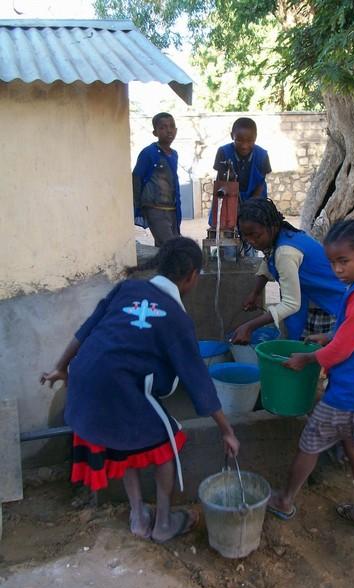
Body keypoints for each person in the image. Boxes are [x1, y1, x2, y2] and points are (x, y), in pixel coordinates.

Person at [40, 237, 240, 543]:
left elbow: (88, 328)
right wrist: (226, 430)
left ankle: (137, 516)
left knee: (125, 442)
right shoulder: (177, 317)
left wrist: (61, 366)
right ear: (193, 276)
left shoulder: (127, 289)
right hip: (119, 387)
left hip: (85, 378)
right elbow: (197, 378)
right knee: (166, 442)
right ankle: (163, 523)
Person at [267, 219, 354, 535]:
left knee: (309, 443)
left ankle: (284, 500)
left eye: (344, 261)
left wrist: (310, 358)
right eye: (332, 263)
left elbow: (347, 346)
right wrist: (328, 338)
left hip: (349, 392)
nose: (337, 270)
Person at [230, 198, 345, 344]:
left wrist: (249, 326)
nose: (251, 241)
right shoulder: (282, 236)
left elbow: (291, 304)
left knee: (312, 354)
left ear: (272, 225)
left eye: (256, 235)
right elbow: (268, 261)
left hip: (328, 305)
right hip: (311, 298)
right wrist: (256, 292)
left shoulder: (285, 252)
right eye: (246, 236)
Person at [133, 112, 181, 247]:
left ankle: (163, 268)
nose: (169, 130)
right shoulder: (149, 153)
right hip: (154, 208)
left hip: (172, 208)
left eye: (172, 126)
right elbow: (137, 178)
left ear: (176, 130)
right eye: (163, 127)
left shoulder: (174, 154)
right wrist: (137, 206)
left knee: (166, 247)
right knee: (170, 245)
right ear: (155, 132)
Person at [214, 117, 272, 202]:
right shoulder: (223, 152)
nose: (244, 146)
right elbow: (222, 182)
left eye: (249, 140)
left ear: (255, 137)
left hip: (257, 200)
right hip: (228, 198)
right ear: (232, 136)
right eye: (239, 140)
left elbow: (260, 184)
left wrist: (250, 207)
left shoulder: (262, 155)